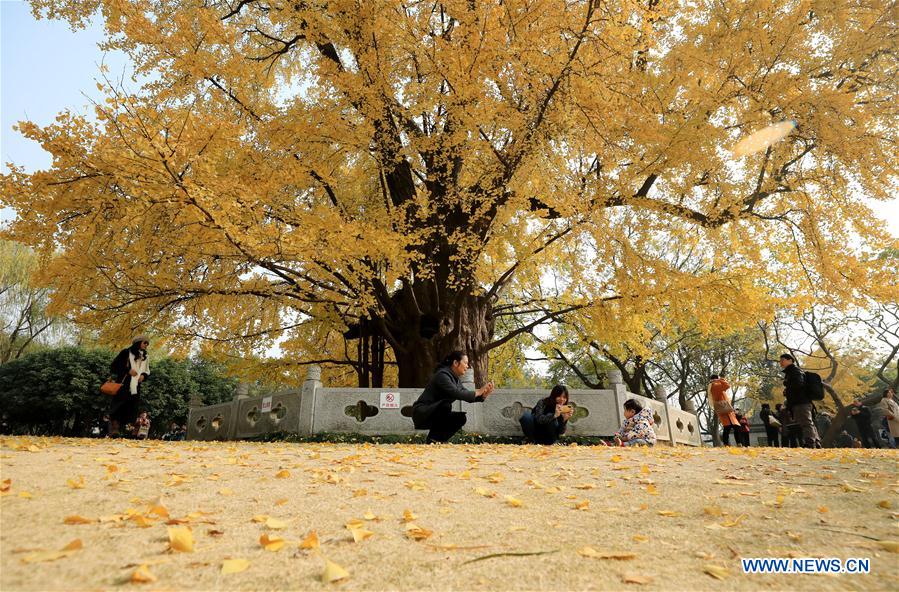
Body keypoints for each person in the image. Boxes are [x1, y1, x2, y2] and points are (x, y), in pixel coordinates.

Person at [412, 351, 494, 443]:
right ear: (455, 363)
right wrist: (479, 391)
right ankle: (432, 439)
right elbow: (456, 393)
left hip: (434, 412)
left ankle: (438, 440)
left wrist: (483, 396)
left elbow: (465, 394)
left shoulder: (455, 379)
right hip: (422, 412)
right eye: (466, 363)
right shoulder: (442, 375)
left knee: (460, 418)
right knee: (445, 405)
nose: (467, 366)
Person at [109, 336, 151, 437]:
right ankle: (115, 428)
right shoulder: (126, 352)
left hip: (136, 385)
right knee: (119, 405)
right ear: (138, 342)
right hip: (124, 384)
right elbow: (114, 366)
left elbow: (147, 370)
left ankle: (133, 431)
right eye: (145, 343)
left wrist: (143, 376)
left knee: (132, 407)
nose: (146, 345)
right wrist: (127, 370)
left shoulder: (145, 356)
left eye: (147, 344)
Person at [779, 353, 820, 448]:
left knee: (806, 423)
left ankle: (810, 443)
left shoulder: (795, 371)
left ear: (790, 360)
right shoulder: (791, 371)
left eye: (782, 360)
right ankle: (816, 442)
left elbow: (798, 384)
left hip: (801, 401)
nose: (780, 362)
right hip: (800, 401)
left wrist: (787, 384)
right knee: (807, 422)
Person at [709, 375, 739, 446]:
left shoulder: (713, 385)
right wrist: (721, 380)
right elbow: (727, 386)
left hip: (726, 409)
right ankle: (735, 443)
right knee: (730, 428)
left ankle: (730, 444)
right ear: (716, 379)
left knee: (729, 428)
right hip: (724, 409)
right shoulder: (715, 385)